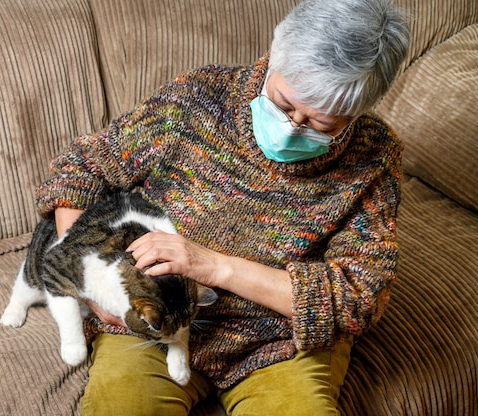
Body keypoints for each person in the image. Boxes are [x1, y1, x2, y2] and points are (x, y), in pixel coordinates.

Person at [35, 0, 410, 414]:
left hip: (279, 341)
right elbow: (80, 171)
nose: (292, 129)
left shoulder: (374, 154)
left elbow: (359, 295)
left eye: (322, 125)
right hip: (157, 312)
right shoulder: (199, 98)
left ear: (357, 114)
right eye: (283, 104)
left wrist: (215, 266)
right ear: (272, 59)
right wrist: (87, 279)